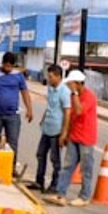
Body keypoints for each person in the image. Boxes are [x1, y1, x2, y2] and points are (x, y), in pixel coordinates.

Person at [45, 69, 98, 207]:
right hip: (74, 136)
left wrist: (74, 93)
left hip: (86, 138)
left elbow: (79, 111)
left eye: (71, 84)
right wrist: (66, 135)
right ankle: (60, 194)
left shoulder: (89, 96)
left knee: (86, 169)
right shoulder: (72, 96)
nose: (68, 86)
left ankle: (84, 196)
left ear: (78, 84)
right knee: (67, 167)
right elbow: (71, 117)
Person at [28, 64, 71, 192]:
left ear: (58, 77)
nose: (49, 78)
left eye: (51, 76)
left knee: (55, 160)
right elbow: (50, 106)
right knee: (40, 154)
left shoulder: (64, 92)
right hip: (47, 128)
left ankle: (55, 185)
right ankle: (39, 181)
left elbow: (67, 112)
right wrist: (43, 118)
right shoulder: (50, 88)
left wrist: (64, 133)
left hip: (57, 130)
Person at [0, 52, 33, 178]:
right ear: (2, 63)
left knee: (13, 142)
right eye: (6, 66)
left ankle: (11, 167)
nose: (8, 69)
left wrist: (29, 109)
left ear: (13, 65)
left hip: (13, 115)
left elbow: (25, 92)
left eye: (10, 66)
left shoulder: (18, 76)